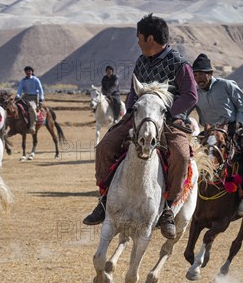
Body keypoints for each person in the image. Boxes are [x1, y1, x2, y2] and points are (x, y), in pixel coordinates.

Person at [83, 13, 198, 239]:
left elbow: (191, 95)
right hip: (139, 117)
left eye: (139, 38)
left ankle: (167, 208)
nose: (137, 42)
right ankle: (104, 199)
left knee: (181, 155)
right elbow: (134, 94)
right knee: (105, 147)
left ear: (150, 39)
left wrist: (168, 113)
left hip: (169, 120)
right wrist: (129, 114)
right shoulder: (141, 61)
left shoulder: (180, 64)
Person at [191, 53, 243, 216]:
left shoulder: (226, 85)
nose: (198, 79)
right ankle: (187, 199)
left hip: (235, 129)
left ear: (210, 73)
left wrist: (239, 124)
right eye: (195, 75)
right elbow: (184, 110)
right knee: (189, 157)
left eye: (201, 74)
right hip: (210, 134)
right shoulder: (194, 93)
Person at [16, 66, 44, 134]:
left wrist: (41, 99)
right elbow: (19, 89)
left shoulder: (36, 80)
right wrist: (18, 96)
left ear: (32, 72)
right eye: (27, 71)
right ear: (25, 72)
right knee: (15, 106)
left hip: (33, 98)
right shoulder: (23, 80)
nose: (28, 72)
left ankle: (32, 126)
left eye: (30, 71)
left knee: (32, 108)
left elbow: (40, 90)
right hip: (25, 96)